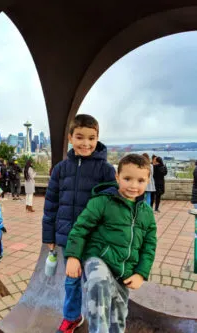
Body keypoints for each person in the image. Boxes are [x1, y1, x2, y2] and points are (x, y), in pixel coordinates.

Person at [65, 154, 157, 333]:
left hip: (123, 273)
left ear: (148, 181)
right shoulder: (102, 202)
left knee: (118, 317)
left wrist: (140, 273)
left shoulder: (146, 213)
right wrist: (73, 256)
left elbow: (149, 245)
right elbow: (80, 228)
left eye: (140, 180)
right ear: (117, 177)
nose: (133, 185)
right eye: (127, 179)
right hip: (99, 260)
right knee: (98, 285)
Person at [42, 114, 116, 333]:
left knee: (96, 283)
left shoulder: (106, 170)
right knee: (72, 281)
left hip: (95, 239)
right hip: (67, 237)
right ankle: (72, 316)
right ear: (70, 138)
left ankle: (100, 319)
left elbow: (113, 207)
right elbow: (51, 204)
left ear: (98, 138)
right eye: (80, 137)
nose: (86, 143)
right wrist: (49, 237)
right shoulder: (60, 169)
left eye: (91, 138)